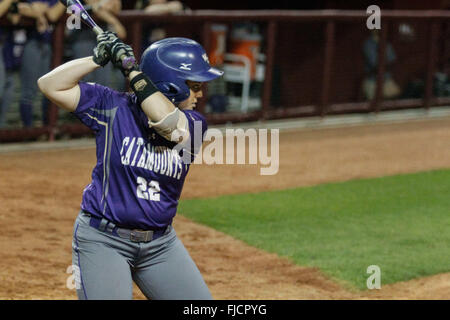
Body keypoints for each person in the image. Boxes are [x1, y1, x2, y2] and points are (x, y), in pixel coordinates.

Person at [37, 32, 223, 299]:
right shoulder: (113, 106)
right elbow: (50, 85)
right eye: (194, 85)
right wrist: (97, 59)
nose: (200, 93)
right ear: (172, 86)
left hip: (161, 245)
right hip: (103, 240)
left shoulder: (194, 124)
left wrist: (131, 69)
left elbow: (169, 126)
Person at [16, 0, 65, 127]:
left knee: (49, 91)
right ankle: (28, 131)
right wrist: (39, 15)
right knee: (29, 91)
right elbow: (21, 8)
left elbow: (54, 14)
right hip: (32, 43)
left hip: (51, 46)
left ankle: (46, 129)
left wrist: (40, 10)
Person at [67, 0, 126, 89]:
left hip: (104, 42)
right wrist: (96, 7)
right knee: (84, 84)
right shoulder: (76, 3)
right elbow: (71, 14)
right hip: (82, 41)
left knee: (105, 83)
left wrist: (101, 10)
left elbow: (115, 6)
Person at [362, 29, 401, 100]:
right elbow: (374, 63)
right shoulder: (368, 44)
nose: (376, 31)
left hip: (386, 78)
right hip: (372, 79)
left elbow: (392, 60)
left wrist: (384, 64)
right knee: (373, 102)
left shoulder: (386, 43)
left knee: (394, 99)